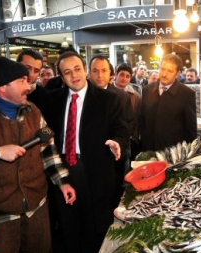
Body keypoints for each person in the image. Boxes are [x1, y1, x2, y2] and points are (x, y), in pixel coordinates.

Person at [0, 56, 76, 253]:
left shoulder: (33, 110)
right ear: (3, 87)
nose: (29, 87)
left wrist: (63, 182)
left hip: (36, 210)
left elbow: (48, 150)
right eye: (22, 81)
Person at [41, 51, 129, 253]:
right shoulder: (51, 100)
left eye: (77, 69)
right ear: (61, 77)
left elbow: (122, 131)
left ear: (85, 70)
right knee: (67, 228)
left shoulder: (108, 99)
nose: (74, 75)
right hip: (61, 171)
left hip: (96, 172)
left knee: (95, 229)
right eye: (67, 72)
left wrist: (117, 143)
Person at [88, 55, 134, 206]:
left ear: (110, 74)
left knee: (113, 195)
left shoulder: (121, 96)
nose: (99, 75)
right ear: (88, 73)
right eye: (95, 71)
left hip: (114, 158)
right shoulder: (82, 95)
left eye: (103, 70)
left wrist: (120, 144)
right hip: (89, 161)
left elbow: (127, 126)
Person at [139, 53, 197, 151]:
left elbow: (190, 129)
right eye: (163, 69)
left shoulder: (187, 94)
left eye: (170, 71)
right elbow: (141, 120)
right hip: (148, 150)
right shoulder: (147, 90)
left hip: (172, 153)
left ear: (178, 74)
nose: (164, 74)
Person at [114, 63, 141, 162]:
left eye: (127, 76)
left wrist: (134, 137)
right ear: (116, 74)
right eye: (121, 75)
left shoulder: (135, 96)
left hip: (128, 138)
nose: (124, 78)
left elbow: (137, 118)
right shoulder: (108, 91)